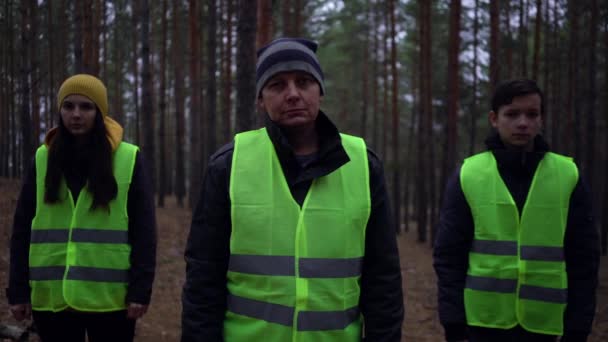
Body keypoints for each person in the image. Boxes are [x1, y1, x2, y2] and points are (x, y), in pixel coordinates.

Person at [181, 37, 404, 341]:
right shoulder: (229, 165)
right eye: (277, 85)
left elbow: (383, 280)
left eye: (304, 82)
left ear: (320, 91)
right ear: (261, 99)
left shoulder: (363, 164)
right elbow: (203, 276)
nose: (293, 94)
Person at [433, 79, 600, 342]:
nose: (523, 123)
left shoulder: (567, 175)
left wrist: (578, 326)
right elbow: (448, 258)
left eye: (532, 114)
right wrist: (453, 324)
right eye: (512, 114)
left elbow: (585, 260)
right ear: (494, 119)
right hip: (482, 324)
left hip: (546, 326)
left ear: (541, 119)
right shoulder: (469, 174)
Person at [7, 74, 157, 342]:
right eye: (69, 106)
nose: (76, 114)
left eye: (86, 107)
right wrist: (18, 291)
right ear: (60, 111)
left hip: (110, 300)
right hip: (52, 298)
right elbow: (21, 229)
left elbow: (144, 231)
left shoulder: (128, 158)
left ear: (100, 112)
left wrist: (140, 290)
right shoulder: (43, 158)